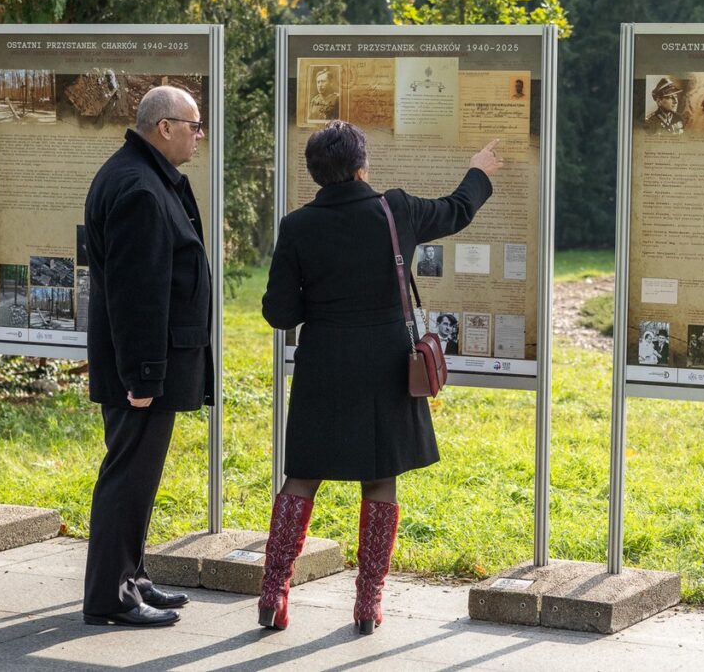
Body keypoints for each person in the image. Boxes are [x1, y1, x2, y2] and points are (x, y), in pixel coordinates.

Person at [259, 121, 501, 634]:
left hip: (324, 360)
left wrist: (317, 305)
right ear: (362, 164)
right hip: (386, 363)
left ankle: (273, 593)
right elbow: (457, 210)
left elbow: (280, 313)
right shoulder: (396, 210)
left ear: (315, 172)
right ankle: (368, 605)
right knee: (379, 478)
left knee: (302, 474)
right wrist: (478, 172)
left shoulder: (297, 225)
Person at [82, 86, 213, 627]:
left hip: (147, 366)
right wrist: (143, 375)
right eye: (193, 125)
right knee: (128, 477)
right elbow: (137, 296)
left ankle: (131, 578)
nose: (198, 135)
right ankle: (111, 597)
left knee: (138, 477)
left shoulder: (146, 177)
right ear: (164, 127)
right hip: (140, 370)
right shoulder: (138, 188)